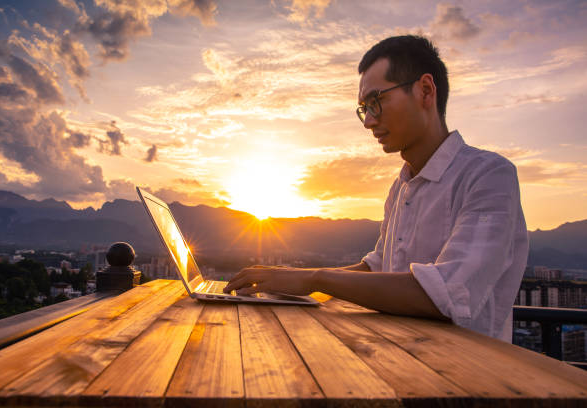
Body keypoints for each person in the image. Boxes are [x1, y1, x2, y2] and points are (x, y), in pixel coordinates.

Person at [224, 35, 528, 342]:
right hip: (400, 362)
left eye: (376, 102)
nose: (368, 121)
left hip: (471, 377)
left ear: (425, 90)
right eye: (363, 109)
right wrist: (289, 280)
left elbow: (445, 294)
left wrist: (314, 278)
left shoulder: (488, 175)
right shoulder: (401, 187)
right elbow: (379, 268)